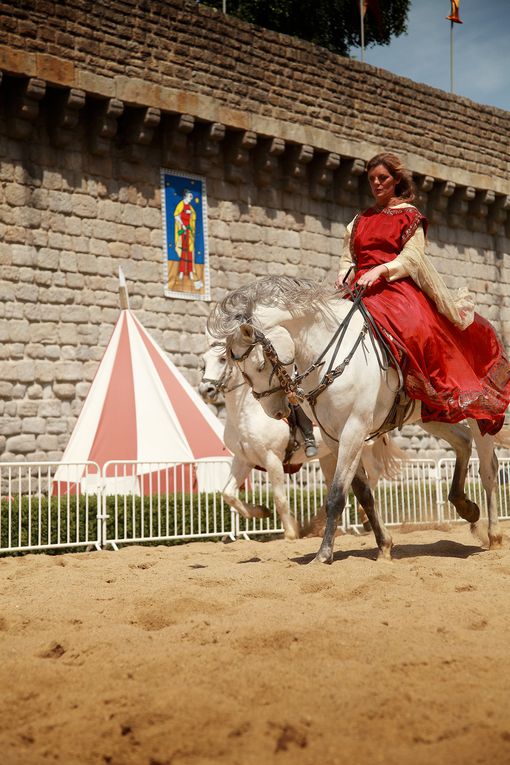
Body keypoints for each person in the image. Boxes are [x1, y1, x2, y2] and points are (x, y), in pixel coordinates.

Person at [334, 152, 510, 436]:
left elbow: (412, 259)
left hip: (394, 287)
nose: (377, 184)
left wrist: (380, 271)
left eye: (383, 178)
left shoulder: (409, 215)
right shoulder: (359, 220)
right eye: (372, 180)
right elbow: (348, 258)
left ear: (396, 180)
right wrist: (344, 277)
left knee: (418, 330)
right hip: (359, 288)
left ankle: (416, 394)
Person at [174, 189, 196, 281]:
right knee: (183, 251)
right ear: (185, 196)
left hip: (189, 231)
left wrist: (191, 214)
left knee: (190, 252)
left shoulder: (190, 208)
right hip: (182, 231)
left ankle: (190, 271)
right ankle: (182, 272)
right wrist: (182, 225)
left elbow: (194, 216)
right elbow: (176, 215)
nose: (191, 198)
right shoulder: (180, 205)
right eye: (190, 196)